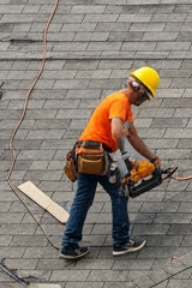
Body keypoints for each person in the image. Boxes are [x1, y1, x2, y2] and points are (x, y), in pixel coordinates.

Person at [59, 67, 162, 261]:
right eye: (146, 96)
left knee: (82, 200)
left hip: (86, 155)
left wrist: (152, 157)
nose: (144, 101)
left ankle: (69, 245)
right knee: (120, 191)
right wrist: (122, 161)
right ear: (138, 89)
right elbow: (116, 131)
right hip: (98, 155)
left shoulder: (125, 107)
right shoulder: (119, 101)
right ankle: (122, 241)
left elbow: (132, 135)